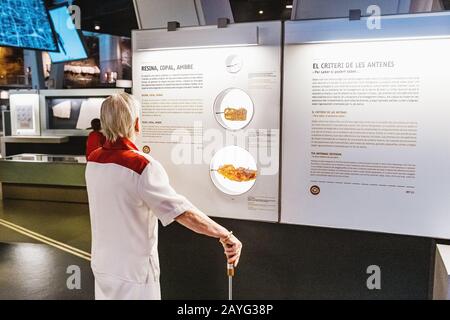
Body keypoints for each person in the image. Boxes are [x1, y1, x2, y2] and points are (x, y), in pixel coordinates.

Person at [85, 93, 242, 300]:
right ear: (137, 123)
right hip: (135, 272)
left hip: (104, 266)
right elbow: (183, 213)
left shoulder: (94, 160)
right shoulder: (142, 166)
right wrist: (225, 235)